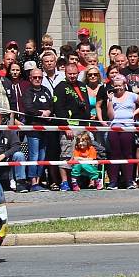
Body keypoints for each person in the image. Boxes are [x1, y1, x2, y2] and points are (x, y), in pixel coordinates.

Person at [53, 63, 90, 191]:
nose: (73, 76)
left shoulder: (83, 86)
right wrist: (65, 127)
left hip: (83, 126)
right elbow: (58, 108)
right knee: (66, 154)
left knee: (81, 155)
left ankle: (77, 181)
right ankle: (64, 182)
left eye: (75, 73)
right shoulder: (60, 87)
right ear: (65, 73)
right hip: (69, 127)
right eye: (70, 74)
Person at [106, 74, 139, 189]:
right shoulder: (111, 98)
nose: (118, 88)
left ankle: (129, 180)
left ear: (125, 85)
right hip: (114, 127)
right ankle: (113, 181)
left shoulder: (131, 96)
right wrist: (110, 101)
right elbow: (110, 116)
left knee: (128, 153)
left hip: (128, 127)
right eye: (116, 86)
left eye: (120, 85)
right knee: (115, 154)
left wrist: (134, 113)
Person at [22, 67, 54, 192]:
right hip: (33, 127)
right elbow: (28, 108)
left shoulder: (46, 91)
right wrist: (41, 113)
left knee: (42, 154)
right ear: (30, 78)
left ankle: (39, 181)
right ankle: (33, 181)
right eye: (34, 77)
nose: (37, 79)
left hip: (45, 127)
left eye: (39, 77)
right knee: (34, 154)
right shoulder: (28, 92)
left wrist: (49, 112)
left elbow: (51, 105)